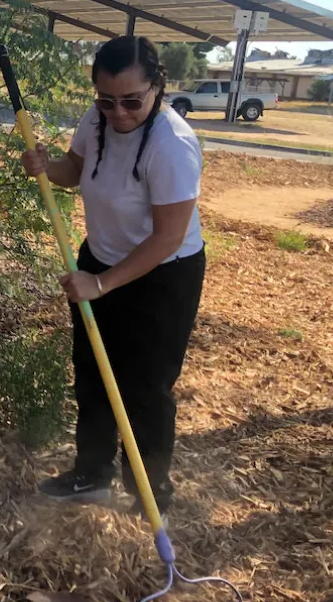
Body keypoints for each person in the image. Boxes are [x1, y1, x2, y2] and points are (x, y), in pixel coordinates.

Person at [20, 35, 205, 516]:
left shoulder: (172, 146)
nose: (118, 112)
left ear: (157, 86)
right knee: (94, 373)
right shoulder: (97, 121)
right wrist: (45, 166)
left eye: (131, 101)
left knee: (145, 384)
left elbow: (166, 239)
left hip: (164, 275)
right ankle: (91, 475)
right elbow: (75, 170)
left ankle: (150, 492)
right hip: (100, 258)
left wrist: (100, 285)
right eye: (106, 100)